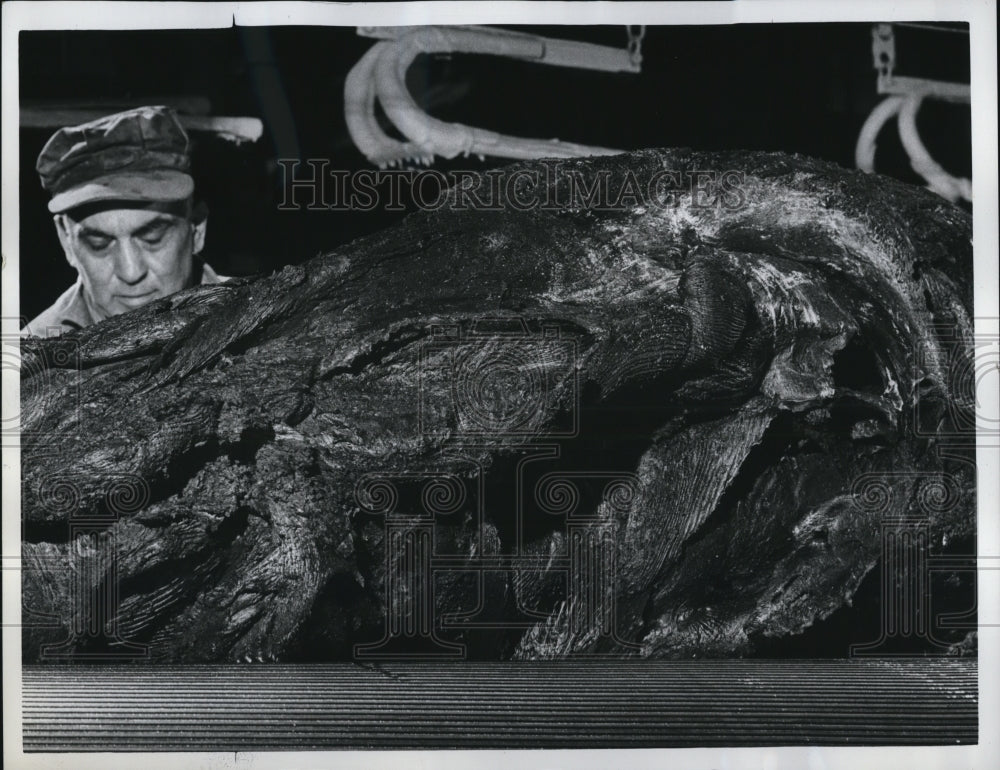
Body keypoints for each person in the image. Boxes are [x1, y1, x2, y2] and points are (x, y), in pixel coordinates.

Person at [21, 105, 229, 337]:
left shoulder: (268, 325)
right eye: (99, 244)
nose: (130, 272)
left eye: (152, 238)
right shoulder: (30, 363)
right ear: (66, 241)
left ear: (196, 228)